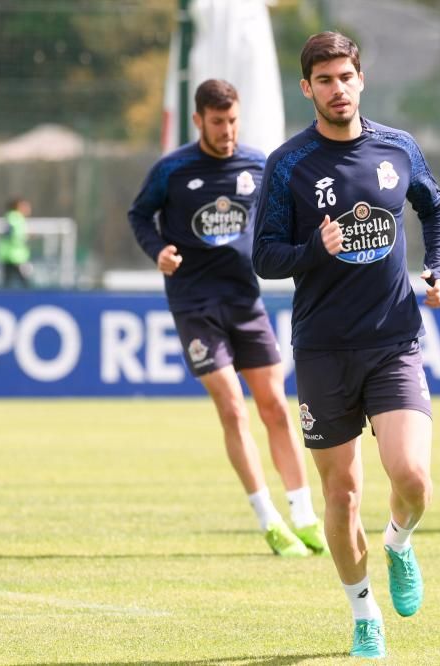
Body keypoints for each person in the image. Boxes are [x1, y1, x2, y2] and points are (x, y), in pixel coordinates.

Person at [252, 32, 440, 659]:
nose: (337, 89)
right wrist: (319, 248)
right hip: (322, 352)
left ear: (360, 79)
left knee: (414, 477)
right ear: (307, 87)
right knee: (341, 496)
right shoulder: (288, 164)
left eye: (346, 77)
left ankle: (397, 542)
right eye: (325, 80)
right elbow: (264, 256)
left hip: (393, 340)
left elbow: (436, 209)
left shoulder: (397, 147)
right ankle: (364, 613)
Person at [127, 79, 327, 559]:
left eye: (233, 119)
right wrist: (159, 252)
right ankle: (270, 522)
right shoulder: (172, 169)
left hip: (245, 301)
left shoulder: (258, 165)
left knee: (277, 407)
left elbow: (285, 217)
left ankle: (304, 515)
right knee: (233, 407)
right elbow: (139, 214)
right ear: (199, 120)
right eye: (218, 122)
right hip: (195, 305)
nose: (227, 130)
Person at [0, 197, 32, 288]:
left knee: (7, 283)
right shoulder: (16, 219)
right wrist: (26, 238)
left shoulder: (9, 217)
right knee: (25, 284)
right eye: (25, 206)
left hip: (7, 255)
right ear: (18, 207)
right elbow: (14, 236)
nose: (28, 208)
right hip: (15, 257)